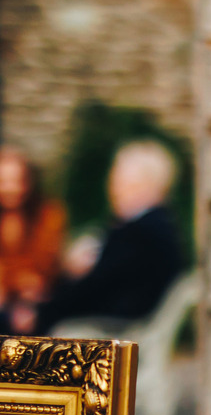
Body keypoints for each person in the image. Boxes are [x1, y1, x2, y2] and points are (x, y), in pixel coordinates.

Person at [25, 141, 184, 337]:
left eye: (119, 181)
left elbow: (95, 290)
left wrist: (41, 309)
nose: (113, 190)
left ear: (144, 185)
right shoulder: (157, 226)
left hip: (109, 330)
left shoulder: (139, 231)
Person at [0, 149, 65, 336]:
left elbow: (44, 270)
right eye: (4, 182)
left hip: (35, 301)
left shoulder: (48, 215)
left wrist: (15, 288)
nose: (11, 188)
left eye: (17, 181)